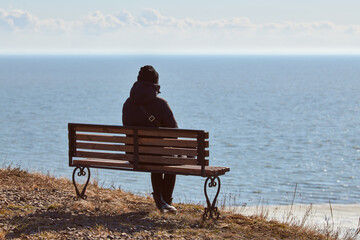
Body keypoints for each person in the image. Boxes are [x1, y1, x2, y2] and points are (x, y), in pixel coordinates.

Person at [122, 65, 177, 213]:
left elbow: (126, 127)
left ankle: (162, 201)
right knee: (168, 159)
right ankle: (164, 201)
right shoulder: (161, 104)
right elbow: (174, 132)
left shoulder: (127, 103)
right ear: (155, 83)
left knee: (156, 156)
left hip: (135, 156)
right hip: (156, 155)